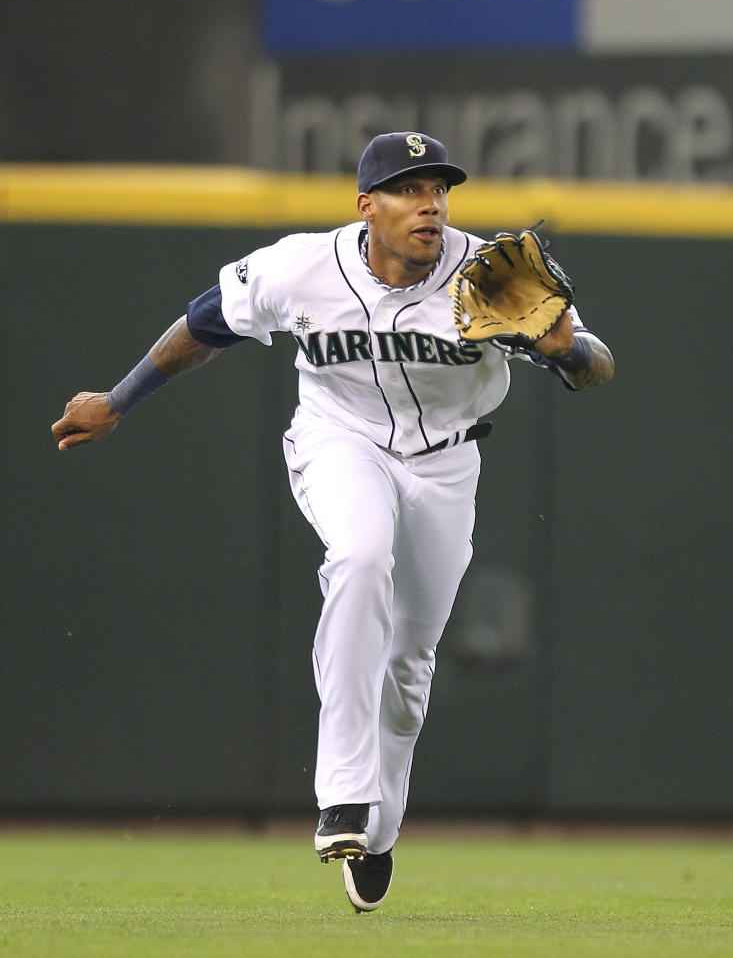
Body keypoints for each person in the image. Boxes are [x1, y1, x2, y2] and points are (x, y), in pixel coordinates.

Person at [51, 131, 614, 913]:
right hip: (337, 438)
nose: (431, 205)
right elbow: (207, 324)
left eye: (440, 190)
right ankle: (343, 796)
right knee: (359, 555)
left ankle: (376, 832)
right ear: (366, 206)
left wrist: (563, 349)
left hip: (447, 463)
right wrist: (117, 400)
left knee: (411, 666)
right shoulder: (303, 266)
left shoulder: (487, 271)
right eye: (410, 190)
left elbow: (597, 365)